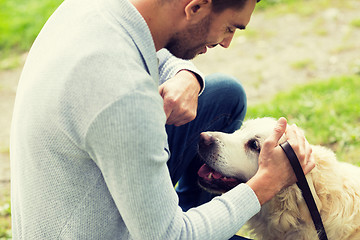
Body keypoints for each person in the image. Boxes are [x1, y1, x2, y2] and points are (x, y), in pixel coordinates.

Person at [10, 0, 315, 239]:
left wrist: (187, 74)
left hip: (78, 206)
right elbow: (169, 236)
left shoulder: (96, 8)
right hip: (102, 232)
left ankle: (192, 212)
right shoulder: (124, 95)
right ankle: (194, 221)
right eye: (230, 28)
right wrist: (265, 184)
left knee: (224, 95)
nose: (227, 42)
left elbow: (149, 50)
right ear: (195, 7)